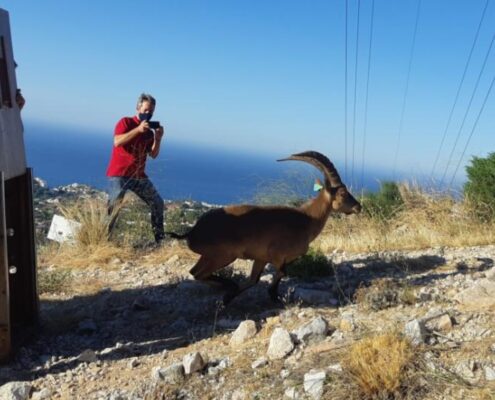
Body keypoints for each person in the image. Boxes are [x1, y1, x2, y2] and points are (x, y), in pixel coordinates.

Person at [106, 93, 165, 244]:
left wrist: (158, 139)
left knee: (157, 202)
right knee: (113, 209)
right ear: (138, 108)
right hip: (119, 174)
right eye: (145, 110)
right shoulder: (125, 122)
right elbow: (117, 142)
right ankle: (102, 242)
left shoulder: (149, 133)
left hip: (138, 176)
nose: (148, 114)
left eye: (151, 111)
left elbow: (153, 154)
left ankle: (160, 241)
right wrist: (137, 130)